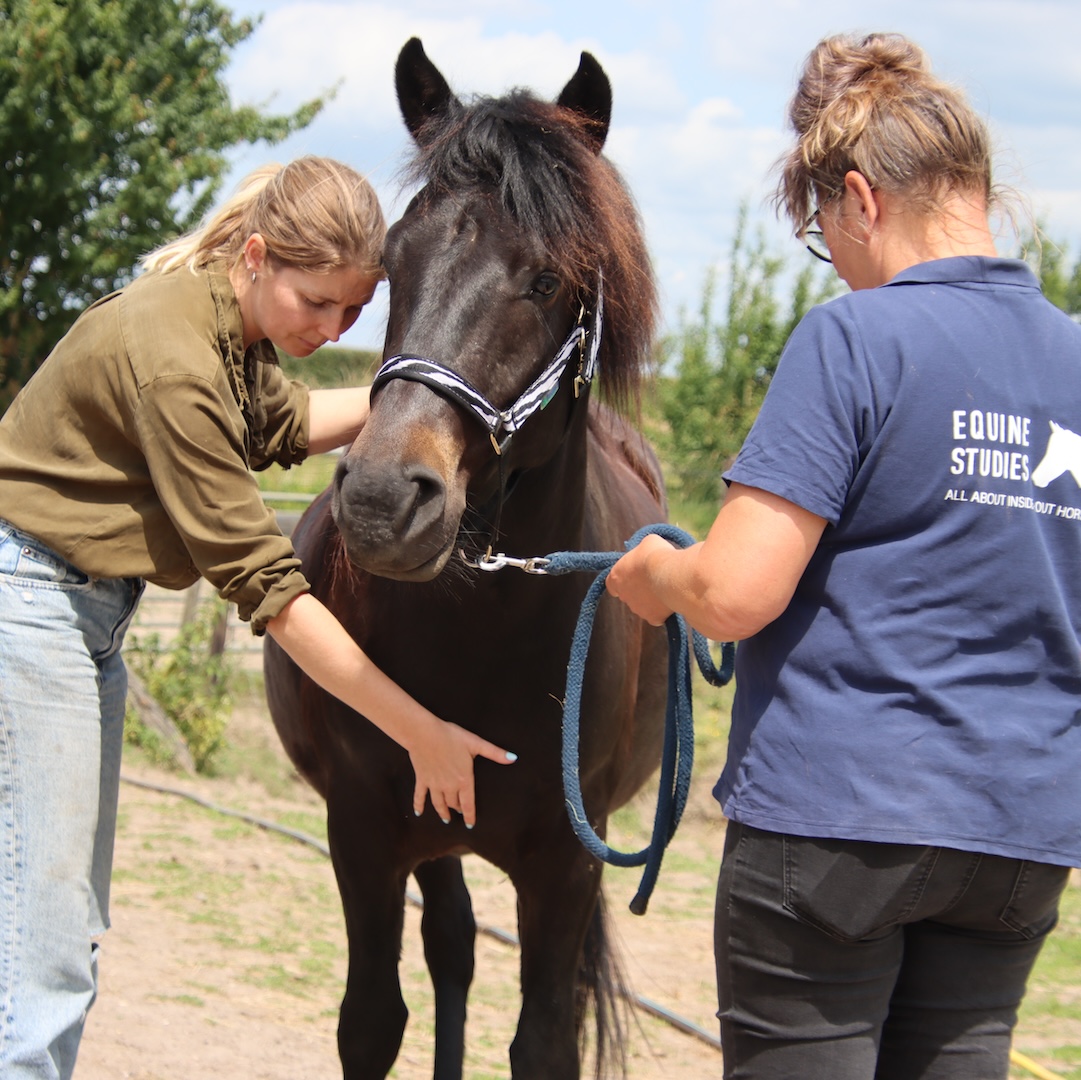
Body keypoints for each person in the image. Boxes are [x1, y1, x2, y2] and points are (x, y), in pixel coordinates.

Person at [606, 32, 1081, 1080]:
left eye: (825, 234)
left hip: (840, 821)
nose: (840, 264)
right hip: (1017, 833)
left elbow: (732, 591)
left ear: (860, 199)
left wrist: (651, 574)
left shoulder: (855, 341)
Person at [0, 155, 516, 1079]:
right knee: (41, 958)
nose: (332, 329)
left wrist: (439, 387)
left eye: (356, 313)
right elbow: (268, 589)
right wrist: (420, 731)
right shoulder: (174, 357)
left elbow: (284, 422)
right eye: (317, 303)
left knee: (61, 929)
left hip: (78, 616)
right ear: (257, 254)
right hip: (31, 610)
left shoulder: (221, 322)